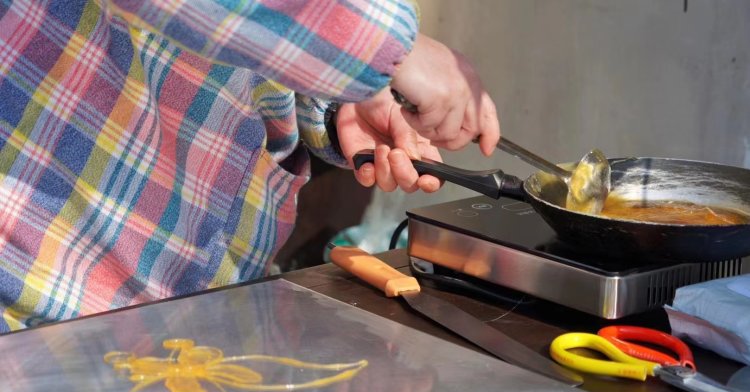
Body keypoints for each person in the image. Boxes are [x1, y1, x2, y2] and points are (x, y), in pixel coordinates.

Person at [0, 0, 500, 333]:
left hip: (198, 309)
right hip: (36, 296)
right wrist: (389, 49)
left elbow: (246, 50)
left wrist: (342, 99)